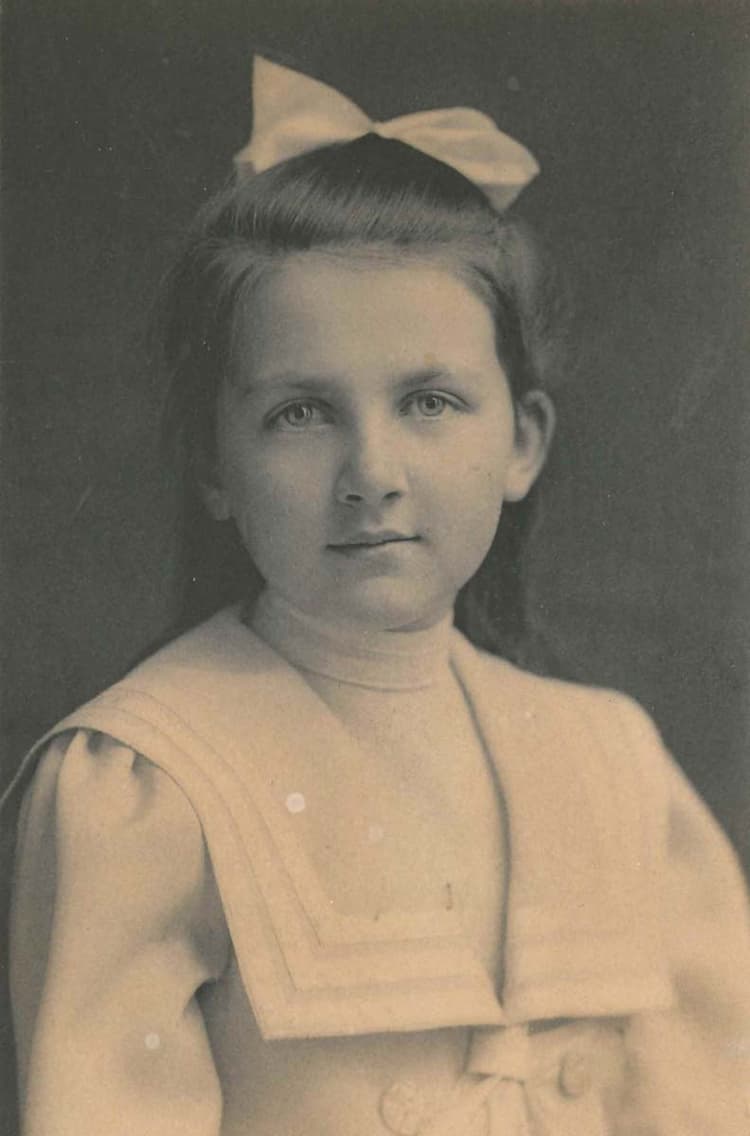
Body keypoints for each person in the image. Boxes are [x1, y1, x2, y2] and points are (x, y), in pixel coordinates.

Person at [5, 56, 750, 1136]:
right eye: (302, 413)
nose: (373, 472)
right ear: (214, 464)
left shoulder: (611, 758)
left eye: (430, 401)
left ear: (522, 442)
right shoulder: (150, 784)